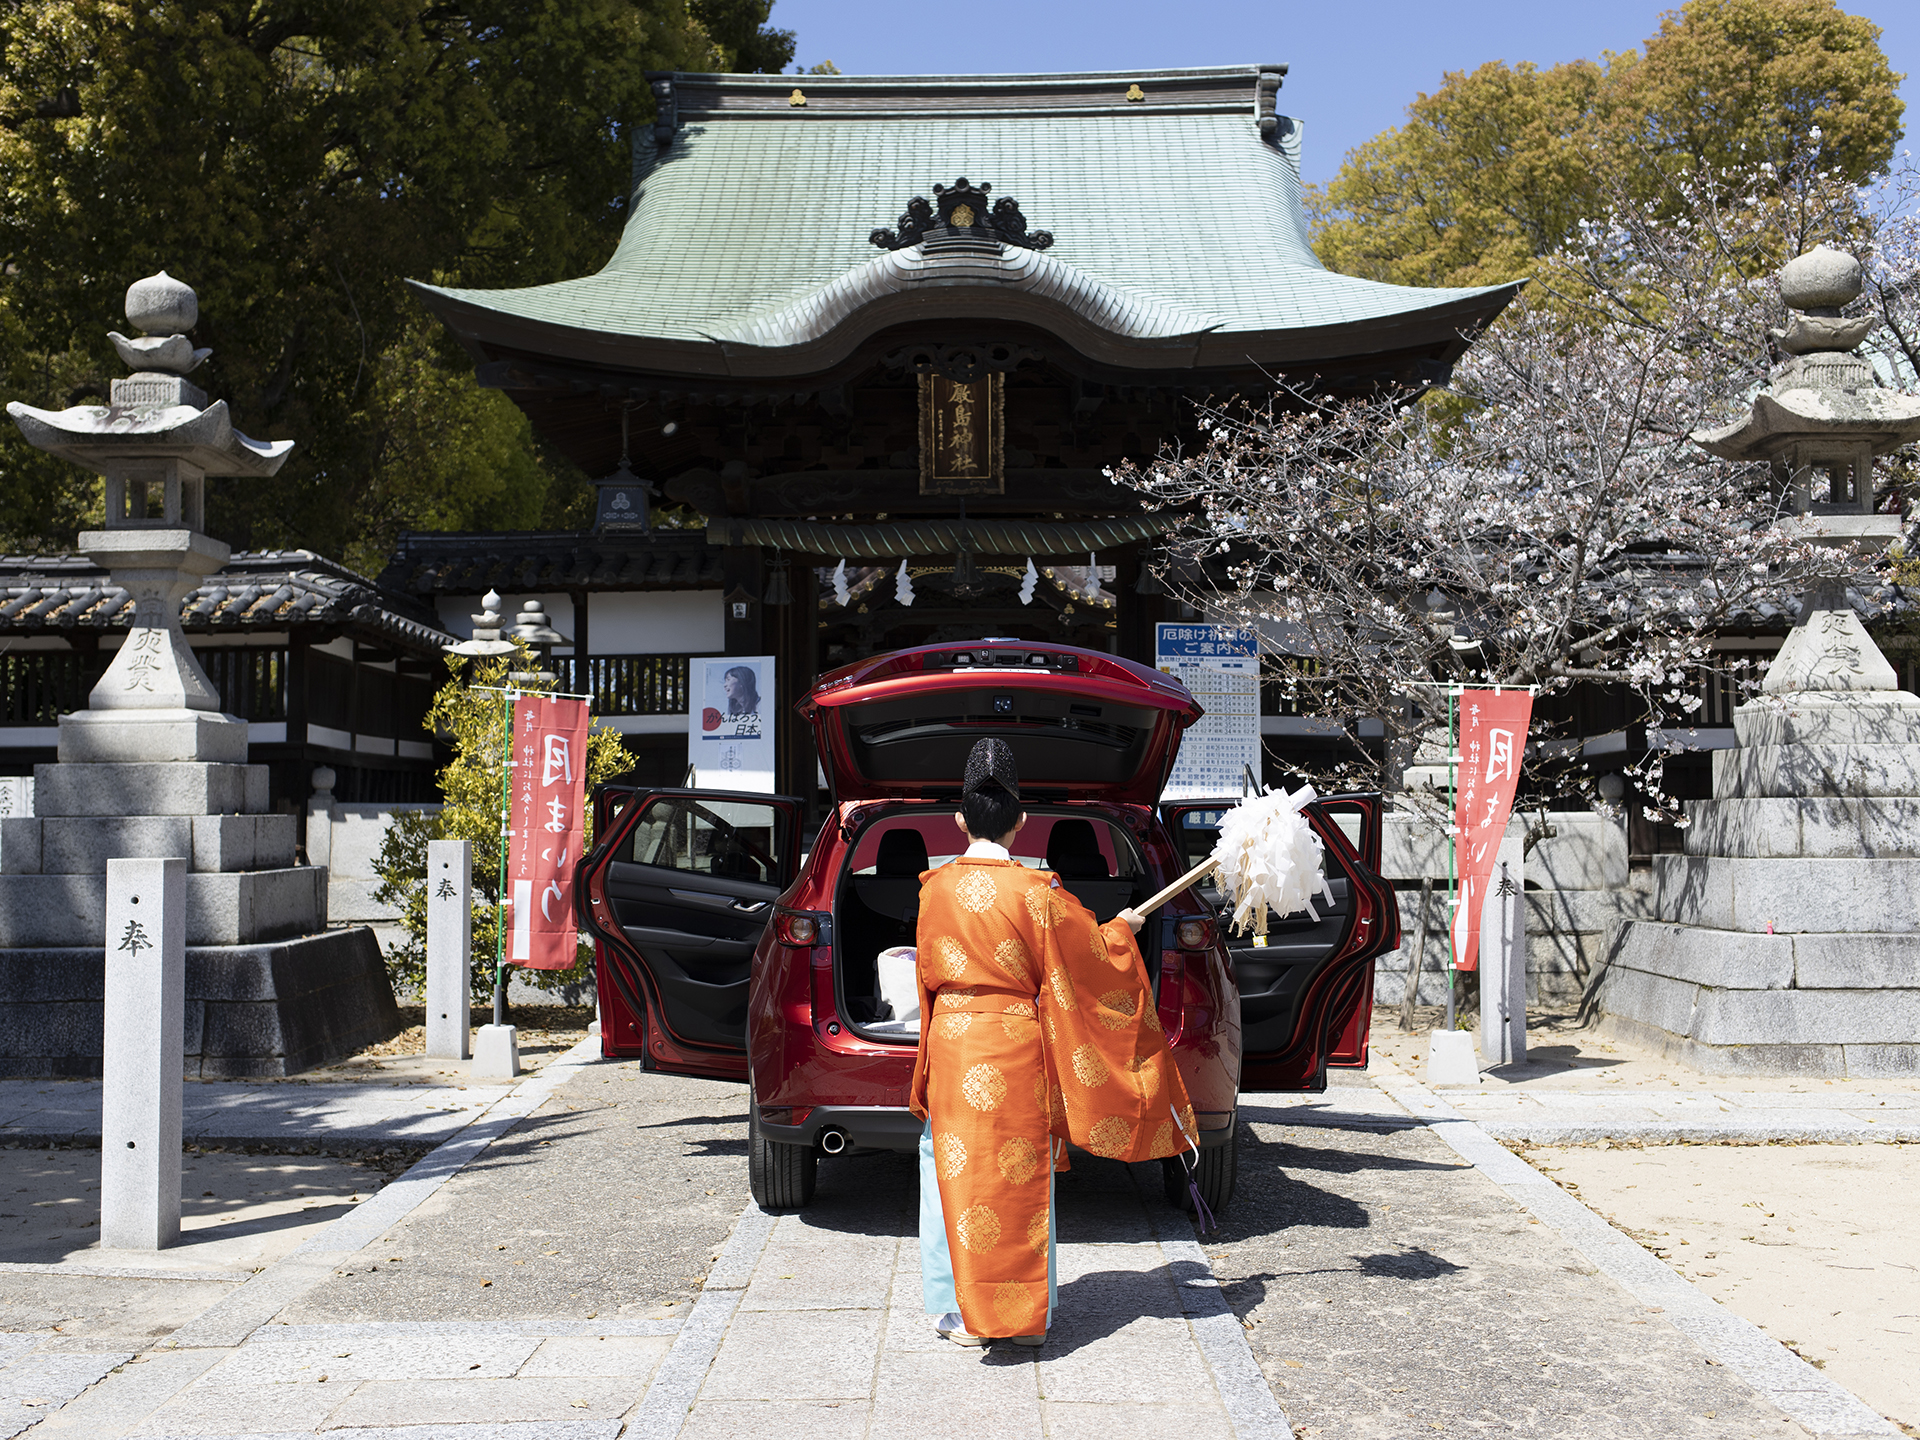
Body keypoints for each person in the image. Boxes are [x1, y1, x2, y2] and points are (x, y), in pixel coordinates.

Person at [908, 737, 1198, 1348]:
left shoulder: (932, 888)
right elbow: (1088, 956)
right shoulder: (1038, 892)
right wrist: (1122, 929)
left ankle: (959, 1313)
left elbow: (926, 975)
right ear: (1020, 822)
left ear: (958, 820)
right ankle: (1028, 1318)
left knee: (948, 1169)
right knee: (1022, 1171)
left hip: (953, 1040)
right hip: (1017, 1042)